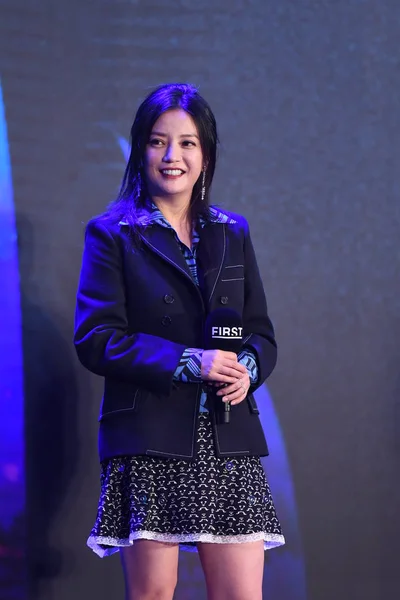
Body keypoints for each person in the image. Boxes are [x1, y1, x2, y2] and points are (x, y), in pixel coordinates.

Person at [74, 82, 285, 600]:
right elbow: (97, 338)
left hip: (228, 437)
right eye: (158, 141)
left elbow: (261, 333)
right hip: (151, 438)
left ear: (206, 155)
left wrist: (246, 371)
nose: (173, 156)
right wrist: (193, 361)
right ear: (141, 149)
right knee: (154, 594)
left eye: (188, 143)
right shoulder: (113, 233)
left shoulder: (231, 232)